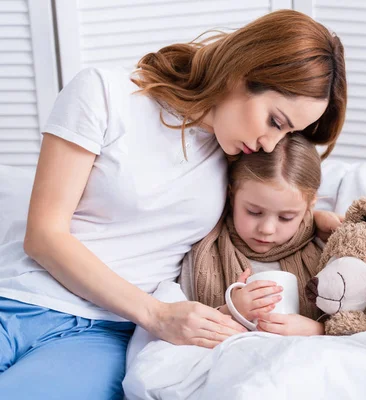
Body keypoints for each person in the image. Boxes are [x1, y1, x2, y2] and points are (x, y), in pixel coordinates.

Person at [0, 9, 346, 399]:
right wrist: (156, 314)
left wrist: (314, 222)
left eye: (288, 133)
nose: (271, 143)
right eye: (275, 121)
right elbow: (44, 235)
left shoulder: (235, 158)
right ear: (241, 71)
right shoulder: (105, 94)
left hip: (104, 334)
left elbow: (274, 201)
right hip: (20, 298)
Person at [180, 133, 326, 337]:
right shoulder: (202, 252)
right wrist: (230, 311)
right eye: (254, 212)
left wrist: (318, 330)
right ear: (231, 196)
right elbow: (181, 321)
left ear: (309, 207)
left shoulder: (324, 252)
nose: (267, 228)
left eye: (286, 217)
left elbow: (359, 324)